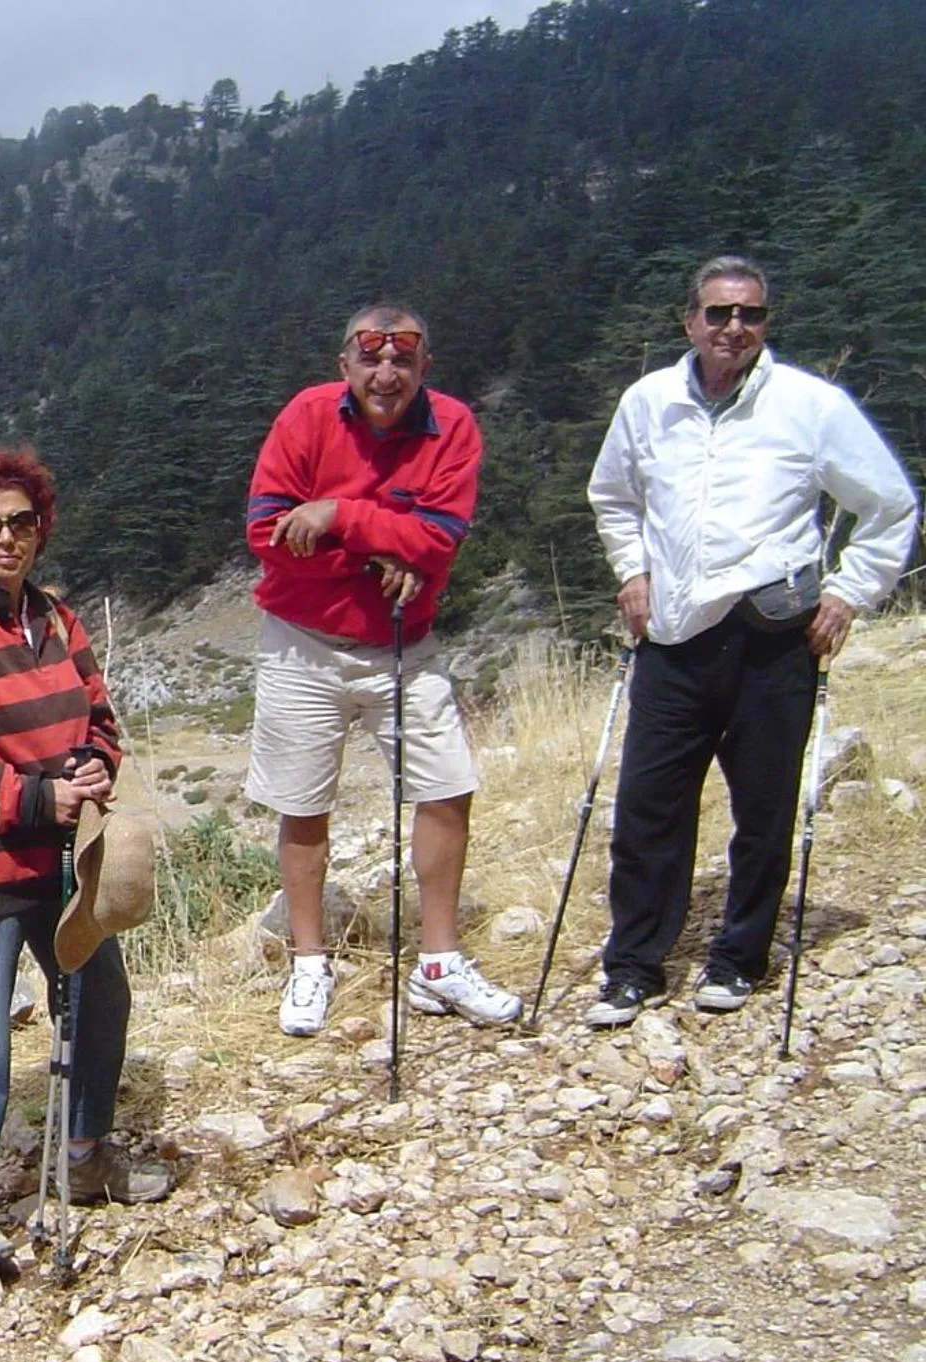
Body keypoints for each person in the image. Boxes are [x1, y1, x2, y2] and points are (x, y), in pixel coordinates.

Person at [583, 256, 919, 1027]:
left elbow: (890, 506)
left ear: (767, 321)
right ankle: (634, 967)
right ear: (689, 321)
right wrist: (631, 571)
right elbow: (613, 496)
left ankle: (739, 957)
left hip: (772, 635)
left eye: (751, 314)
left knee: (763, 810)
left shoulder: (811, 405)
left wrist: (850, 592)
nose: (734, 327)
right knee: (647, 810)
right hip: (672, 635)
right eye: (718, 313)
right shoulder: (648, 402)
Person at [0, 447, 171, 1267]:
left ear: (39, 529)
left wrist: (94, 766)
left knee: (98, 992)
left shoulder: (56, 618)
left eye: (20, 522)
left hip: (61, 858)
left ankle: (83, 1156)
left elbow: (101, 721)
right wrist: (39, 796)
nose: (5, 538)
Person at [245, 303, 521, 1038]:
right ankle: (310, 961)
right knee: (303, 805)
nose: (387, 374)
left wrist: (337, 515)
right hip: (300, 643)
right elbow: (267, 533)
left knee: (446, 786)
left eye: (404, 360)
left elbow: (441, 538)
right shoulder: (305, 418)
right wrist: (381, 552)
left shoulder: (453, 427)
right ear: (346, 366)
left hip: (405, 645)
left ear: (425, 367)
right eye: (371, 359)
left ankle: (439, 962)